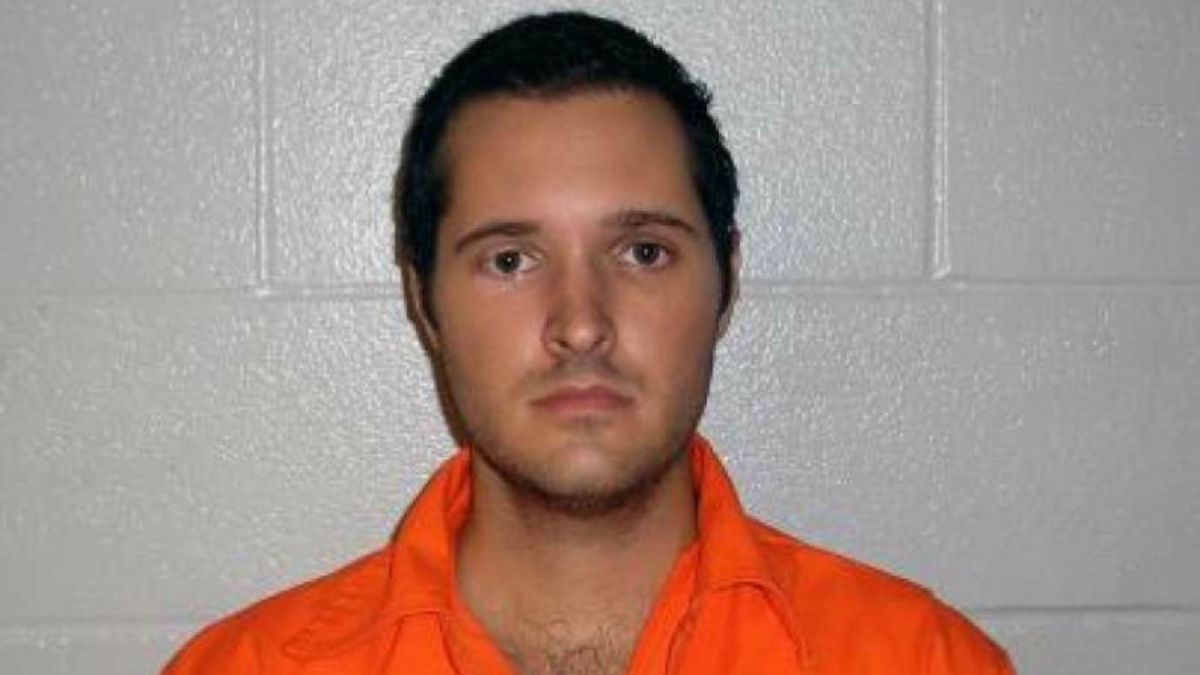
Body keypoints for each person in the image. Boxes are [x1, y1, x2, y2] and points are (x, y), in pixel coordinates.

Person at [163, 11, 1014, 675]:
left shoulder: (923, 659)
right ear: (423, 300)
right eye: (509, 259)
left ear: (727, 279)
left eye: (643, 252)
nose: (579, 322)